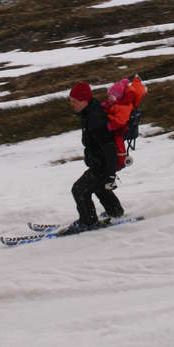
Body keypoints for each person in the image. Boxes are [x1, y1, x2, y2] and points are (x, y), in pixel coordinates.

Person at [64, 81, 124, 234]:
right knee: (99, 186)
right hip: (100, 163)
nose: (72, 104)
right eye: (71, 101)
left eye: (74, 101)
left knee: (79, 190)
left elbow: (109, 148)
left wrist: (110, 173)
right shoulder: (89, 111)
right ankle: (115, 211)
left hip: (102, 164)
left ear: (84, 100)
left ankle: (88, 222)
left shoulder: (95, 119)